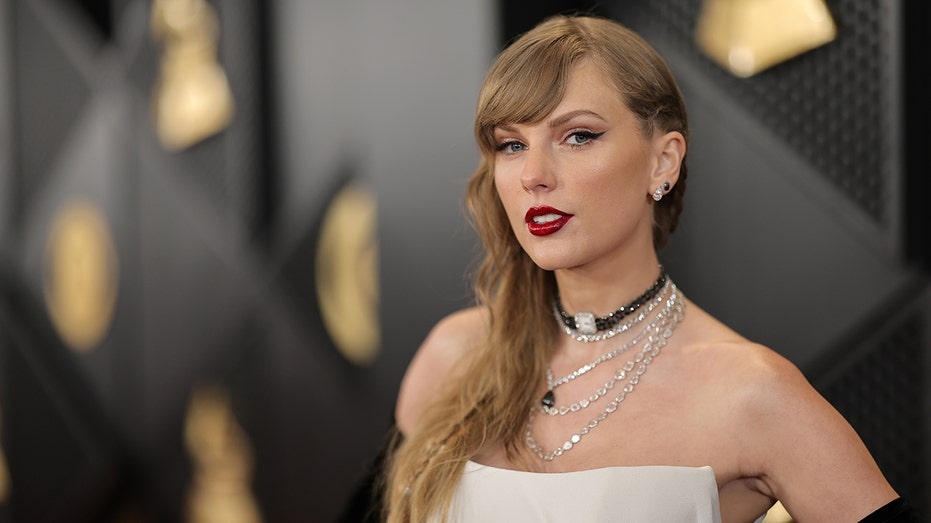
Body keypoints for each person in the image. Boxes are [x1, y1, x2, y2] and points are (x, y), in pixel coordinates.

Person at [383, 14, 917, 523]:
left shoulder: (751, 394)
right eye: (512, 145)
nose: (534, 176)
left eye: (578, 136)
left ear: (663, 161)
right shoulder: (453, 358)